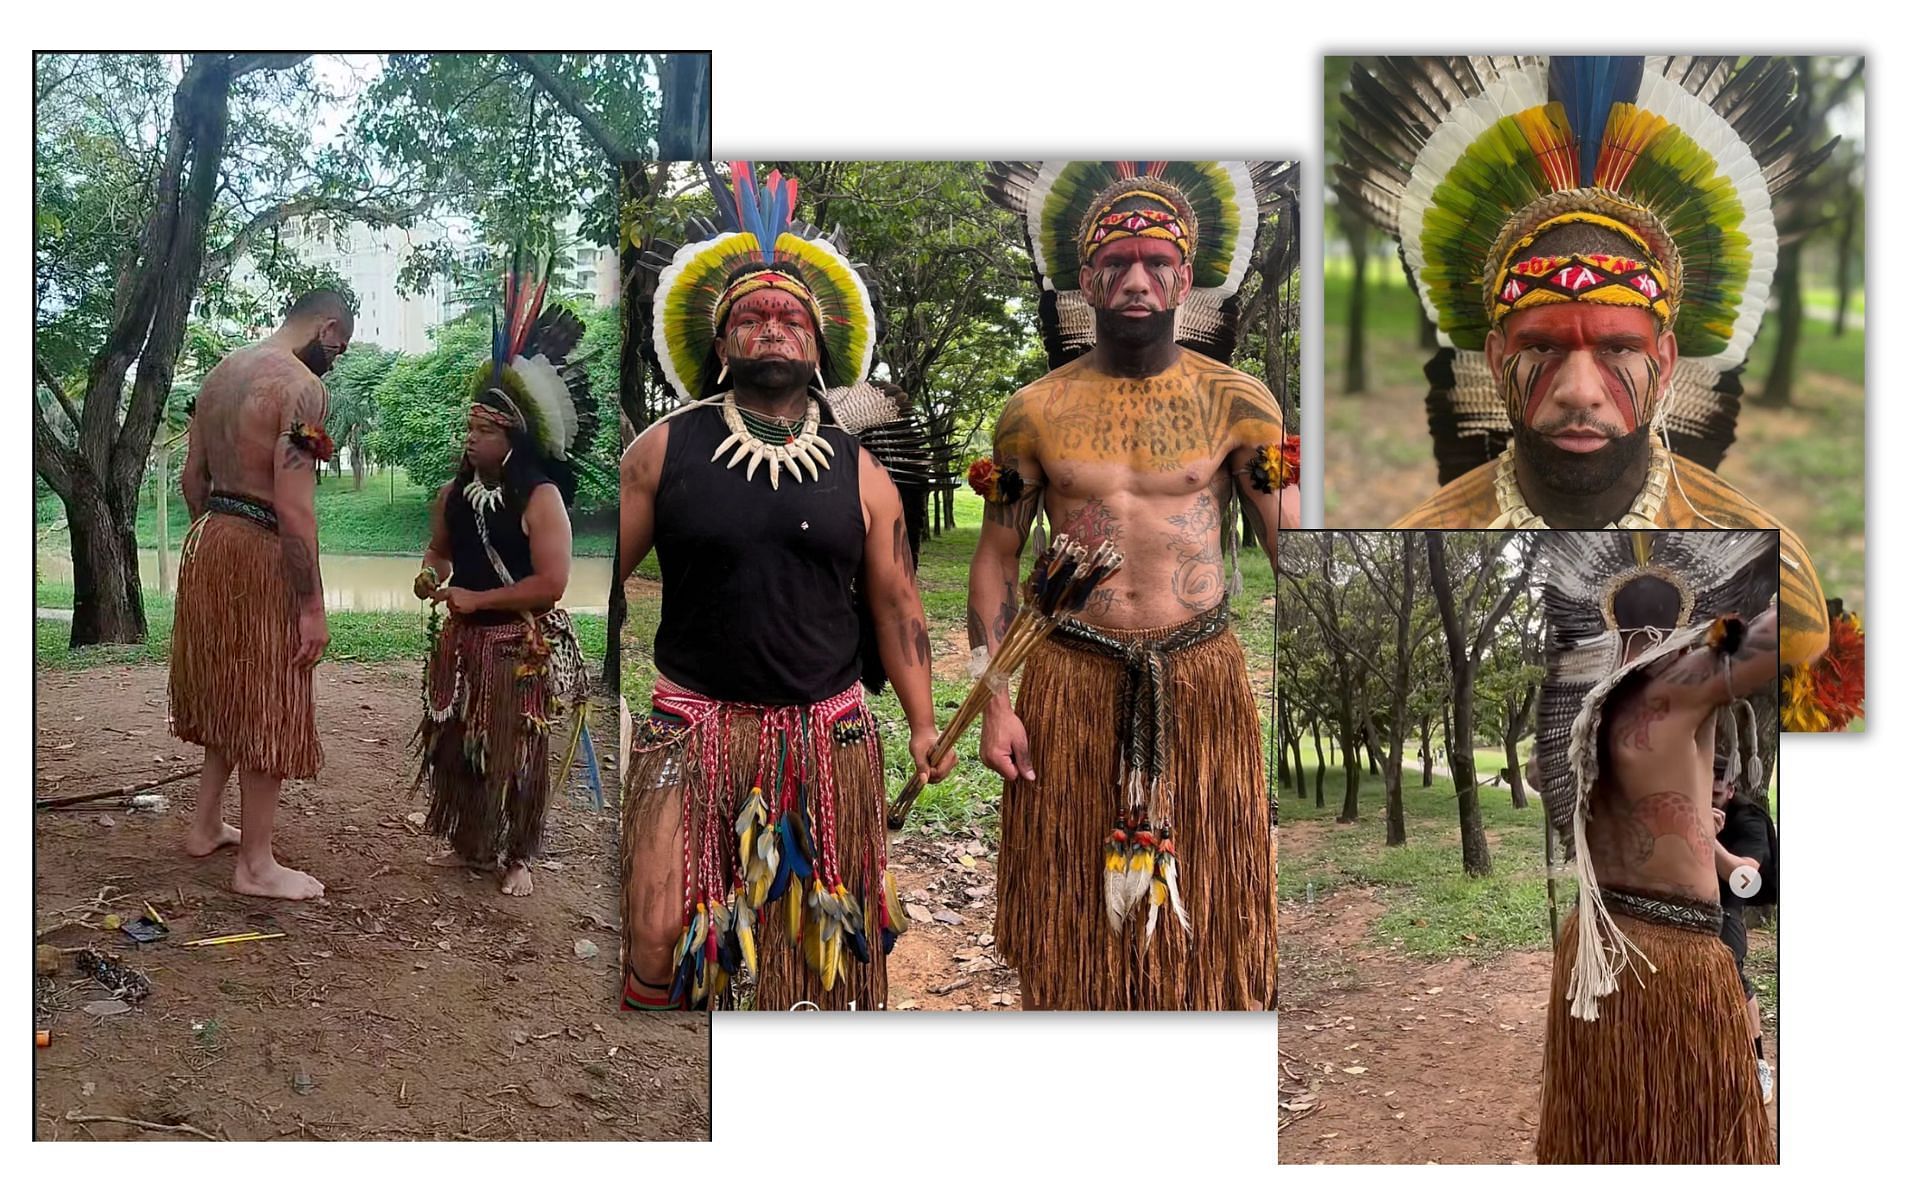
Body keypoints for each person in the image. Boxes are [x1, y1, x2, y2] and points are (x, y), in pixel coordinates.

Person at [1333, 56, 1833, 676]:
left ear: (1667, 361)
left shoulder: (1778, 586)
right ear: (1495, 360)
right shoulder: (1424, 535)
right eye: (1542, 347)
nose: (1578, 391)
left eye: (1619, 349)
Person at [619, 163, 952, 1011]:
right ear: (720, 342)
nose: (772, 327)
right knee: (657, 934)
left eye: (790, 316)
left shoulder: (863, 469)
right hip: (691, 731)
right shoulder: (661, 451)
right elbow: (605, 583)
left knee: (813, 947)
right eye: (752, 316)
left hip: (825, 739)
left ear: (819, 343)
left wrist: (921, 722)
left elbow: (897, 605)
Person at [972, 162, 1300, 1009]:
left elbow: (1288, 542)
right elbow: (997, 561)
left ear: (1187, 278)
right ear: (1086, 279)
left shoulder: (1239, 402)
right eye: (1116, 262)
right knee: (1074, 910)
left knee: (1201, 917)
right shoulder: (1033, 411)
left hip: (1199, 679)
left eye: (1158, 261)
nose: (1137, 278)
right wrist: (997, 699)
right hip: (1069, 682)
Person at [1532, 529, 1779, 1162]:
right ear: (1683, 626)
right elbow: (1792, 633)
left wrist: (1723, 857)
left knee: (1607, 1139)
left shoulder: (1585, 717)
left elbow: (1647, 814)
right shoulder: (1673, 690)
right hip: (1670, 968)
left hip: (1597, 946)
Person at [409, 269, 595, 898]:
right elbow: (439, 552)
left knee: (518, 753)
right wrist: (428, 576)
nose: (470, 437)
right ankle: (470, 839)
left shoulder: (541, 498)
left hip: (518, 646)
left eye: (482, 429)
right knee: (457, 747)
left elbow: (552, 584)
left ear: (511, 435)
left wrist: (478, 598)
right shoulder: (451, 494)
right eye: (469, 427)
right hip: (463, 647)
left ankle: (519, 853)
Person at [169, 289, 351, 901]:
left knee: (229, 688)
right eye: (339, 347)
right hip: (262, 545)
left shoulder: (221, 373)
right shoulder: (301, 388)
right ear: (327, 326)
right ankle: (255, 863)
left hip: (210, 538)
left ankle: (203, 826)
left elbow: (191, 477)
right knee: (270, 697)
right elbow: (295, 508)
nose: (336, 359)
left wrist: (217, 539)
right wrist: (311, 606)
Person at [1712, 773, 1777, 1103]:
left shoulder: (1748, 819)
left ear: (1731, 790)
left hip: (1725, 898)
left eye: (1716, 792)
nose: (1709, 798)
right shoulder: (1680, 799)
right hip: (1680, 895)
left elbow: (1743, 878)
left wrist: (1706, 836)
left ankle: (1758, 1061)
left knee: (1731, 971)